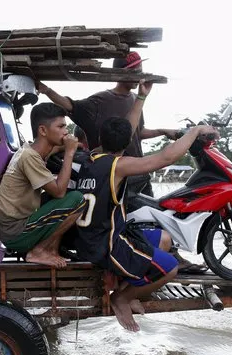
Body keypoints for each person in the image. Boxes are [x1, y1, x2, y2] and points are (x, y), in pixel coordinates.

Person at [38, 52, 208, 274]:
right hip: (117, 173)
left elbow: (137, 132)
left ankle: (167, 256)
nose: (139, 74)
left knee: (157, 215)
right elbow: (70, 105)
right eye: (135, 71)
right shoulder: (100, 101)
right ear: (121, 73)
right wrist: (45, 89)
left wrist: (162, 131)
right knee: (129, 221)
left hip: (138, 171)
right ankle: (149, 262)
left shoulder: (134, 100)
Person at [75, 80, 220, 331]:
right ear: (125, 145)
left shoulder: (90, 158)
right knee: (171, 268)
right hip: (106, 243)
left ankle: (129, 291)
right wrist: (194, 131)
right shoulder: (118, 166)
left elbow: (127, 130)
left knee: (164, 239)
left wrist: (141, 98)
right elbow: (166, 157)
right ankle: (122, 298)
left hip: (92, 235)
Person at [0, 103, 85, 268]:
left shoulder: (31, 150)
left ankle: (51, 250)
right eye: (61, 126)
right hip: (17, 233)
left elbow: (52, 149)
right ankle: (40, 250)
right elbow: (59, 192)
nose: (66, 131)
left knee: (51, 195)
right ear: (43, 130)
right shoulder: (30, 158)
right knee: (76, 199)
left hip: (14, 226)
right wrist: (70, 153)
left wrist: (74, 145)